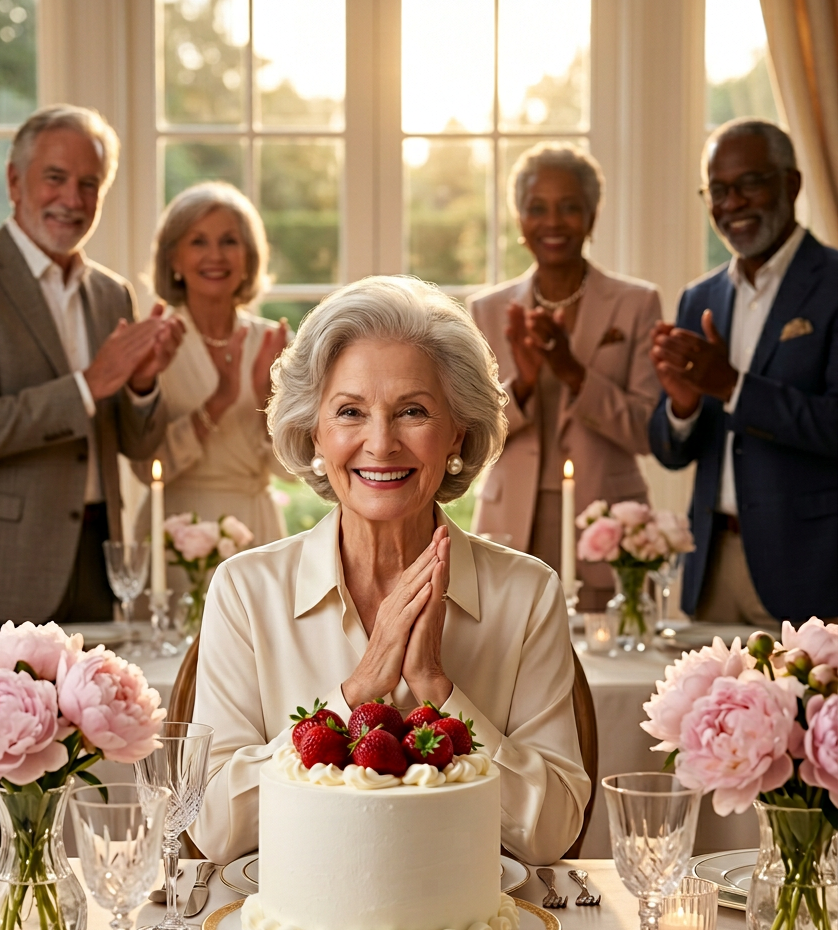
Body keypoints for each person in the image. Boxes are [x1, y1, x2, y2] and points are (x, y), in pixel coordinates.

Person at [188, 276, 589, 866]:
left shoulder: (526, 593)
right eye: (350, 411)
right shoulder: (246, 591)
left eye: (413, 412)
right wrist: (356, 693)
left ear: (457, 432)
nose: (380, 443)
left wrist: (437, 689)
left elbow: (551, 833)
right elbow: (213, 828)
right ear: (314, 432)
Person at [0, 103, 182, 843]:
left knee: (88, 774)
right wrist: (91, 381)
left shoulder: (110, 294)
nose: (73, 198)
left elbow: (135, 442)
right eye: (56, 177)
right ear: (13, 180)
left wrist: (139, 384)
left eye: (90, 183)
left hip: (95, 559)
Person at [649, 118, 837, 625]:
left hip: (812, 571)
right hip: (712, 567)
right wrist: (683, 406)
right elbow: (670, 450)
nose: (731, 203)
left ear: (791, 184)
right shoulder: (700, 297)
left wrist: (731, 387)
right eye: (718, 190)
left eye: (749, 183)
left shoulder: (834, 283)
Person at [468, 143, 663, 611]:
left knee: (607, 672)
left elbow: (647, 431)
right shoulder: (487, 310)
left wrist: (577, 375)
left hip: (608, 526)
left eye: (570, 207)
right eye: (537, 208)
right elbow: (469, 434)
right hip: (511, 520)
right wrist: (525, 384)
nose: (553, 222)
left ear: (592, 217)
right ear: (520, 221)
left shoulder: (636, 303)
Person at [133, 183, 290, 572]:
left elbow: (297, 469)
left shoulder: (273, 342)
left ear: (249, 258)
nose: (215, 255)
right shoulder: (154, 343)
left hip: (255, 531)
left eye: (229, 241)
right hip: (172, 531)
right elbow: (144, 467)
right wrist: (217, 403)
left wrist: (266, 402)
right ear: (174, 258)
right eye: (198, 241)